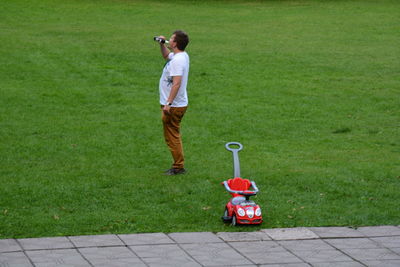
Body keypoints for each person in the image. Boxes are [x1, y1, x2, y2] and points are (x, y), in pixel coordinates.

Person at [157, 30, 190, 175]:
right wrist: (161, 44)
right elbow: (166, 55)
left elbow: (176, 83)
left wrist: (168, 104)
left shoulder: (178, 61)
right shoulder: (180, 56)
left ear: (175, 43)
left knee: (172, 136)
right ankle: (178, 165)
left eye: (171, 39)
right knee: (172, 134)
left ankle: (178, 167)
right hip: (174, 104)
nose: (169, 41)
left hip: (173, 106)